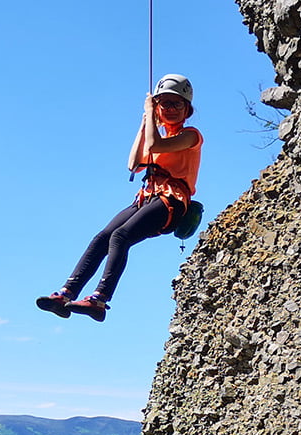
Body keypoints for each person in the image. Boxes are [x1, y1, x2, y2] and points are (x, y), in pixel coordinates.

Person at [35, 74, 203, 322]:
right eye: (164, 103)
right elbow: (133, 163)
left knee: (120, 236)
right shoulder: (157, 133)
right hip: (147, 197)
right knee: (102, 237)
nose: (169, 109)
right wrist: (146, 120)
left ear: (187, 109)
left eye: (176, 104)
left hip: (172, 201)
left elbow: (155, 145)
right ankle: (66, 293)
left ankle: (99, 300)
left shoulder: (191, 135)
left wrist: (150, 115)